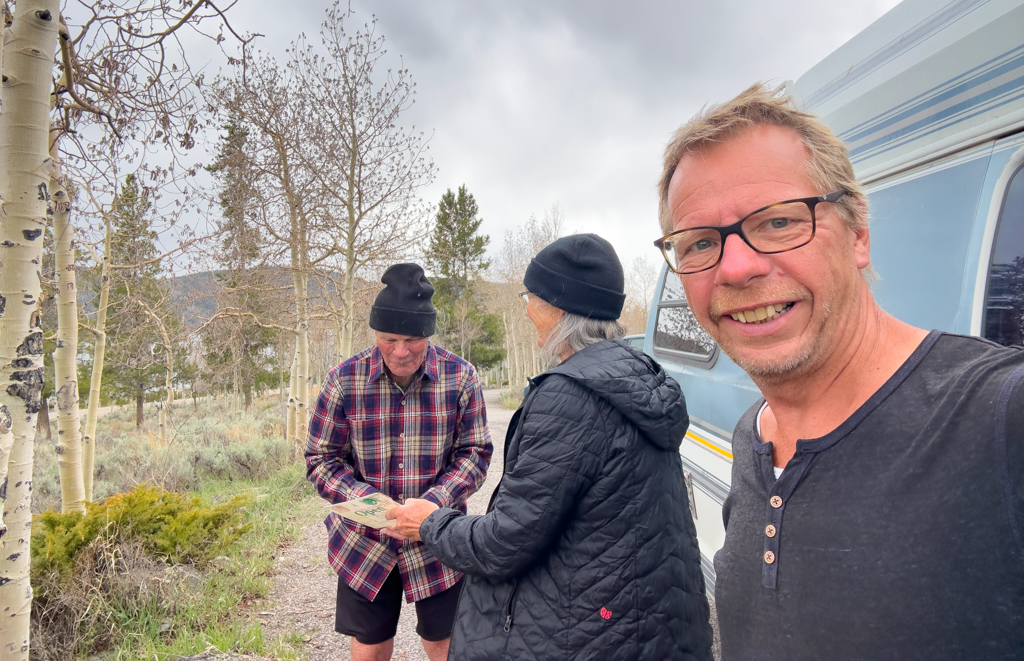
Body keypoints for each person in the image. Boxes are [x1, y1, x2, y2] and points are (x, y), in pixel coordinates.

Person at [655, 83, 1024, 660]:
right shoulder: (757, 435)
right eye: (700, 243)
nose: (737, 268)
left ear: (858, 236)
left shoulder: (997, 419)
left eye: (778, 223)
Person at [386, 234, 714, 661]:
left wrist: (431, 524)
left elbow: (505, 543)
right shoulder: (635, 375)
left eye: (531, 297)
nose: (526, 309)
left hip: (592, 634)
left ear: (560, 308)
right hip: (644, 621)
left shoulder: (570, 398)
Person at [305, 263, 493, 661]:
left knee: (448, 646)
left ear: (429, 333)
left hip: (438, 539)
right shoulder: (343, 380)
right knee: (369, 649)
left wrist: (432, 507)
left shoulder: (461, 378)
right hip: (364, 541)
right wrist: (370, 505)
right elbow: (321, 459)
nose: (400, 350)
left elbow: (475, 453)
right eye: (389, 339)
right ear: (375, 333)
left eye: (412, 339)